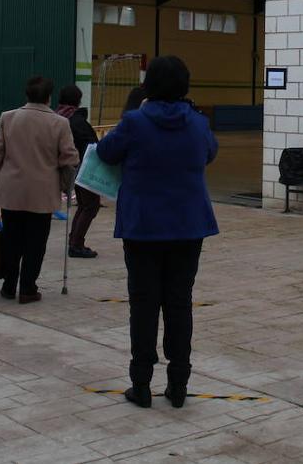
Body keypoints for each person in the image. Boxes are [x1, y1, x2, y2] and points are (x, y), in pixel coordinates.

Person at [97, 55, 218, 408]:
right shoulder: (198, 123)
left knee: (144, 304)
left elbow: (106, 152)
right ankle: (178, 385)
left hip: (143, 228)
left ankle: (142, 384)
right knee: (179, 304)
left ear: (147, 85)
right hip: (188, 227)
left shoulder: (135, 121)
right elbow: (209, 153)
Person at [0, 76, 79, 304]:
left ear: (26, 94)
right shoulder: (60, 123)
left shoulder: (8, 118)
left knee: (11, 240)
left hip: (11, 191)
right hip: (42, 193)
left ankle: (8, 286)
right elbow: (69, 158)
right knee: (35, 243)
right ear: (49, 97)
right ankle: (28, 288)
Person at [55, 84, 102, 258]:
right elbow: (92, 145)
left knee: (84, 205)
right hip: (84, 169)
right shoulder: (77, 121)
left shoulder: (58, 118)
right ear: (78, 100)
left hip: (69, 169)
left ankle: (74, 238)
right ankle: (76, 243)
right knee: (90, 205)